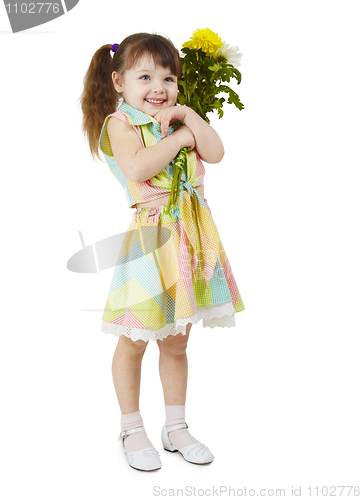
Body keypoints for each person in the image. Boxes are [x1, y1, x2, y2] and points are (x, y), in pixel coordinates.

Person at [80, 32, 245, 472]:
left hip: (192, 235)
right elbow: (137, 167)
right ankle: (132, 427)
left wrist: (189, 115)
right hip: (152, 241)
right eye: (146, 76)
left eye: (169, 78)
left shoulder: (179, 117)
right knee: (135, 339)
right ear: (119, 82)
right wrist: (177, 139)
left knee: (177, 342)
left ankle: (176, 426)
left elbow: (217, 152)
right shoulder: (120, 124)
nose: (159, 87)